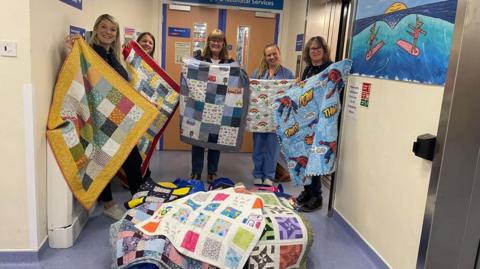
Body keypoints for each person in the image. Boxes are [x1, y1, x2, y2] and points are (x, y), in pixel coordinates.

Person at [65, 14, 145, 220]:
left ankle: (139, 203)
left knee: (133, 160)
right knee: (101, 161)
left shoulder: (113, 57)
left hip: (118, 118)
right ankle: (109, 204)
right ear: (96, 28)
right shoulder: (90, 53)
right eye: (104, 27)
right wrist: (73, 49)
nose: (108, 32)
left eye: (112, 29)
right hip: (98, 118)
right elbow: (79, 72)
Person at [190, 29, 234, 184]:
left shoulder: (229, 63)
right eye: (213, 40)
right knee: (198, 139)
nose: (216, 43)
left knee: (215, 140)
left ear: (223, 44)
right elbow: (189, 74)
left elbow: (237, 80)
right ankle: (196, 171)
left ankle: (212, 172)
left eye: (219, 40)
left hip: (219, 108)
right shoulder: (200, 60)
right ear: (208, 42)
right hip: (201, 106)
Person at [297, 36, 333, 212]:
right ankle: (307, 190)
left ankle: (316, 196)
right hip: (307, 121)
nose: (315, 51)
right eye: (312, 49)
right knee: (305, 157)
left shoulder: (330, 69)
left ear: (324, 51)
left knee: (316, 158)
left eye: (319, 49)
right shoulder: (308, 70)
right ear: (308, 52)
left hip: (321, 122)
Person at [251, 43, 294, 187]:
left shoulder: (287, 74)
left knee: (272, 148)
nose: (272, 57)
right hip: (259, 118)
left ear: (279, 54)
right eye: (268, 55)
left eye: (274, 53)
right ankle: (257, 173)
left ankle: (269, 175)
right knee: (258, 147)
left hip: (277, 119)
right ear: (265, 57)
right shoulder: (257, 73)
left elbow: (292, 95)